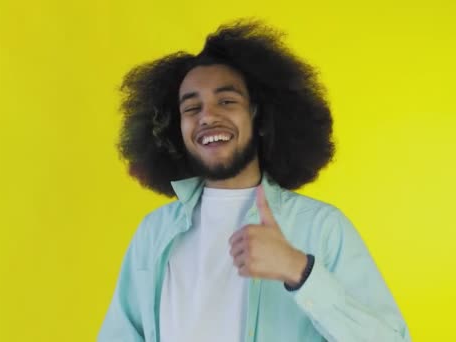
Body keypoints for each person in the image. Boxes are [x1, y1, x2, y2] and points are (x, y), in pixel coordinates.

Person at [98, 19, 410, 342]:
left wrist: (299, 271)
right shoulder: (153, 234)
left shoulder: (322, 228)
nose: (207, 116)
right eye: (192, 108)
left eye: (227, 101)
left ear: (258, 116)